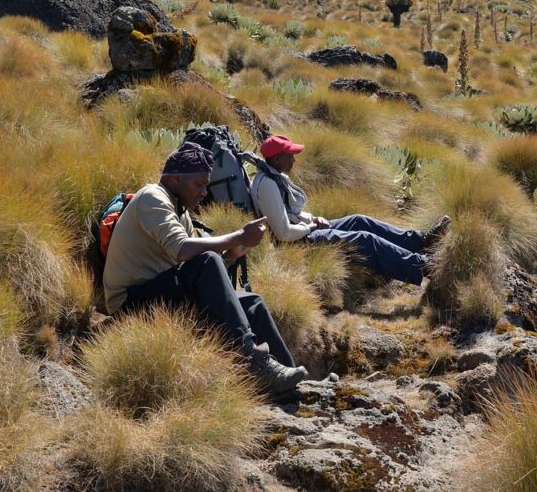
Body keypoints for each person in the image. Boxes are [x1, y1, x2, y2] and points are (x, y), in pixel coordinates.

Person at [103, 140, 308, 393]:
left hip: (159, 291)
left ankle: (288, 380)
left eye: (206, 186)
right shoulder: (152, 197)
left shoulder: (181, 212)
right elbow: (183, 251)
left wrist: (231, 255)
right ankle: (252, 361)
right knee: (208, 260)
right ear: (176, 179)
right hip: (129, 304)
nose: (203, 193)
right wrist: (239, 236)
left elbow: (202, 270)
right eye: (199, 185)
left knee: (251, 302)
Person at [249, 134, 450, 285]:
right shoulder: (267, 185)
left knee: (359, 220)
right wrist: (309, 227)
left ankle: (419, 241)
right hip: (294, 243)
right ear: (277, 159)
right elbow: (283, 234)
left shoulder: (274, 176)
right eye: (290, 155)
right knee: (364, 239)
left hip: (300, 231)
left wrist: (313, 218)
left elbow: (290, 213)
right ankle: (423, 266)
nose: (294, 159)